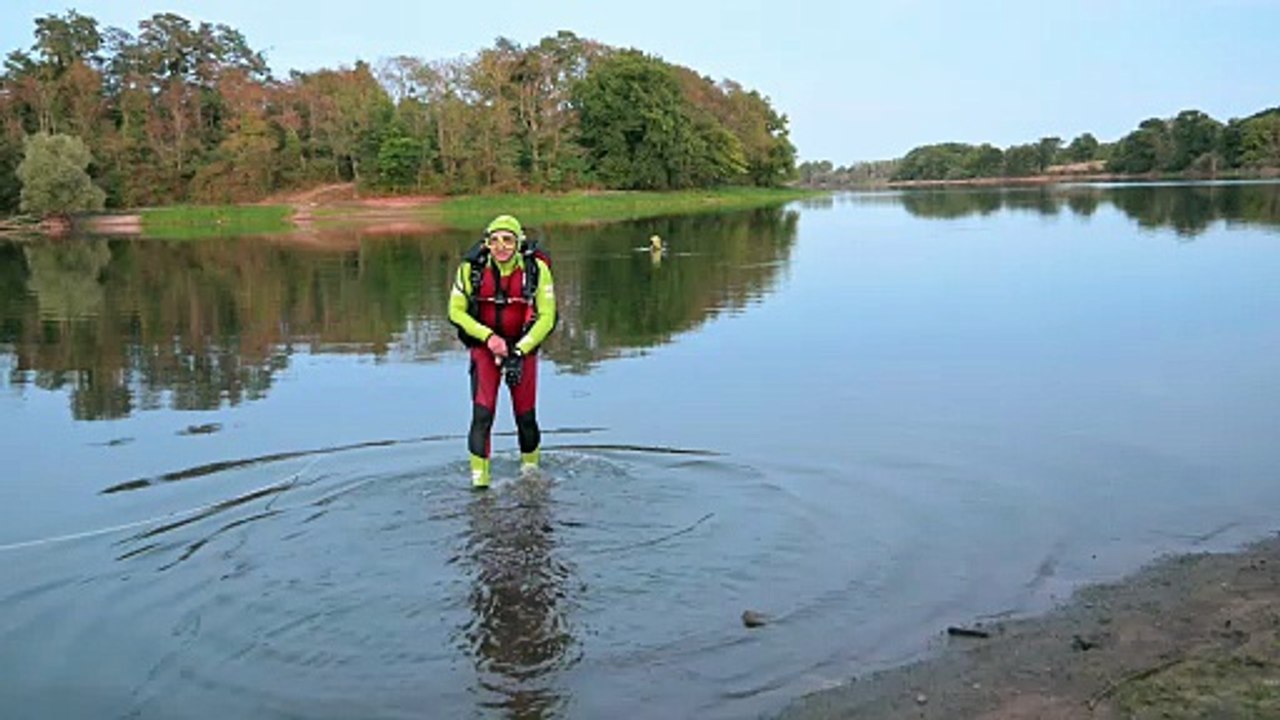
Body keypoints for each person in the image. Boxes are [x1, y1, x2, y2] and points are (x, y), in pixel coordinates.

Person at [448, 214, 557, 488]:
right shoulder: (470, 269)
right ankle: (480, 485)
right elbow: (455, 312)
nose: (501, 247)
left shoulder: (536, 269)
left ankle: (530, 476)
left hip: (523, 347)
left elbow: (547, 317)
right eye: (494, 241)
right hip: (485, 348)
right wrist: (489, 338)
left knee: (526, 417)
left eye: (507, 240)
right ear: (486, 244)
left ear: (518, 243)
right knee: (482, 416)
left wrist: (519, 351)